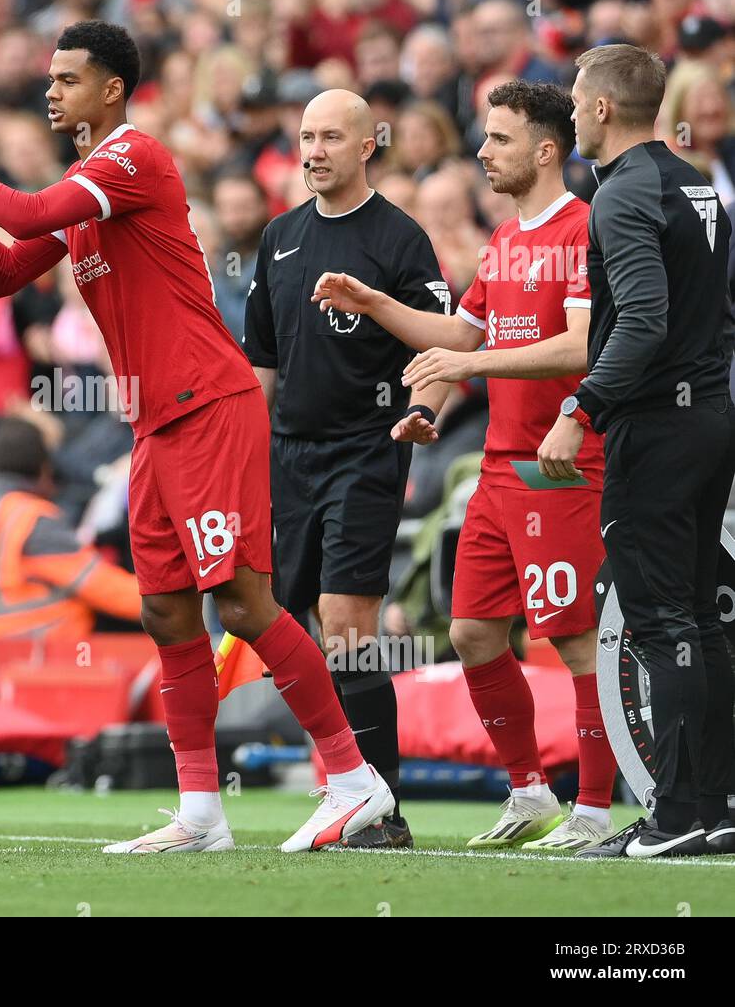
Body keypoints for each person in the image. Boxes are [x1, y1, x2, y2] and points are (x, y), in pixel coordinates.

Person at [0, 20, 393, 853]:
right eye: (49, 78)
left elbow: (23, 211)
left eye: (67, 79)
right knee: (168, 614)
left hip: (208, 405)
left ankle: (354, 780)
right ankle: (202, 813)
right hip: (155, 426)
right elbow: (1, 269)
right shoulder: (89, 185)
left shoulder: (133, 160)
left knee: (242, 600)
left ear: (112, 91)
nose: (51, 91)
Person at [314, 80, 616, 852]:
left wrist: (470, 365)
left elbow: (579, 349)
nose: (483, 151)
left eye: (500, 139)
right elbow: (457, 334)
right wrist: (380, 310)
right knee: (474, 631)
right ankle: (528, 792)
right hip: (495, 469)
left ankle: (593, 811)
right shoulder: (506, 241)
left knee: (577, 640)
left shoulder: (581, 231)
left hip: (561, 464)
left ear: (546, 151)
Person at [542, 45, 735, 858]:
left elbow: (644, 322)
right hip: (710, 414)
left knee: (661, 621)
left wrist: (580, 408)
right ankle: (714, 809)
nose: (575, 111)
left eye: (578, 99)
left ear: (601, 108)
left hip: (657, 428)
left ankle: (677, 816)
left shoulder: (619, 194)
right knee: (701, 621)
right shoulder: (698, 184)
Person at [244, 88, 450, 850]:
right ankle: (344, 788)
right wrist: (246, 453)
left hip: (366, 447)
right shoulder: (280, 236)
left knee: (347, 628)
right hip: (288, 453)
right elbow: (261, 359)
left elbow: (444, 341)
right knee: (286, 625)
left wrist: (423, 406)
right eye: (305, 136)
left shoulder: (398, 239)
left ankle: (382, 811)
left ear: (369, 144)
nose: (314, 150)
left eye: (332, 136)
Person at [0, 416, 142, 642]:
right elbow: (106, 590)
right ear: (42, 468)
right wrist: (174, 598)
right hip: (50, 657)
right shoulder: (31, 519)